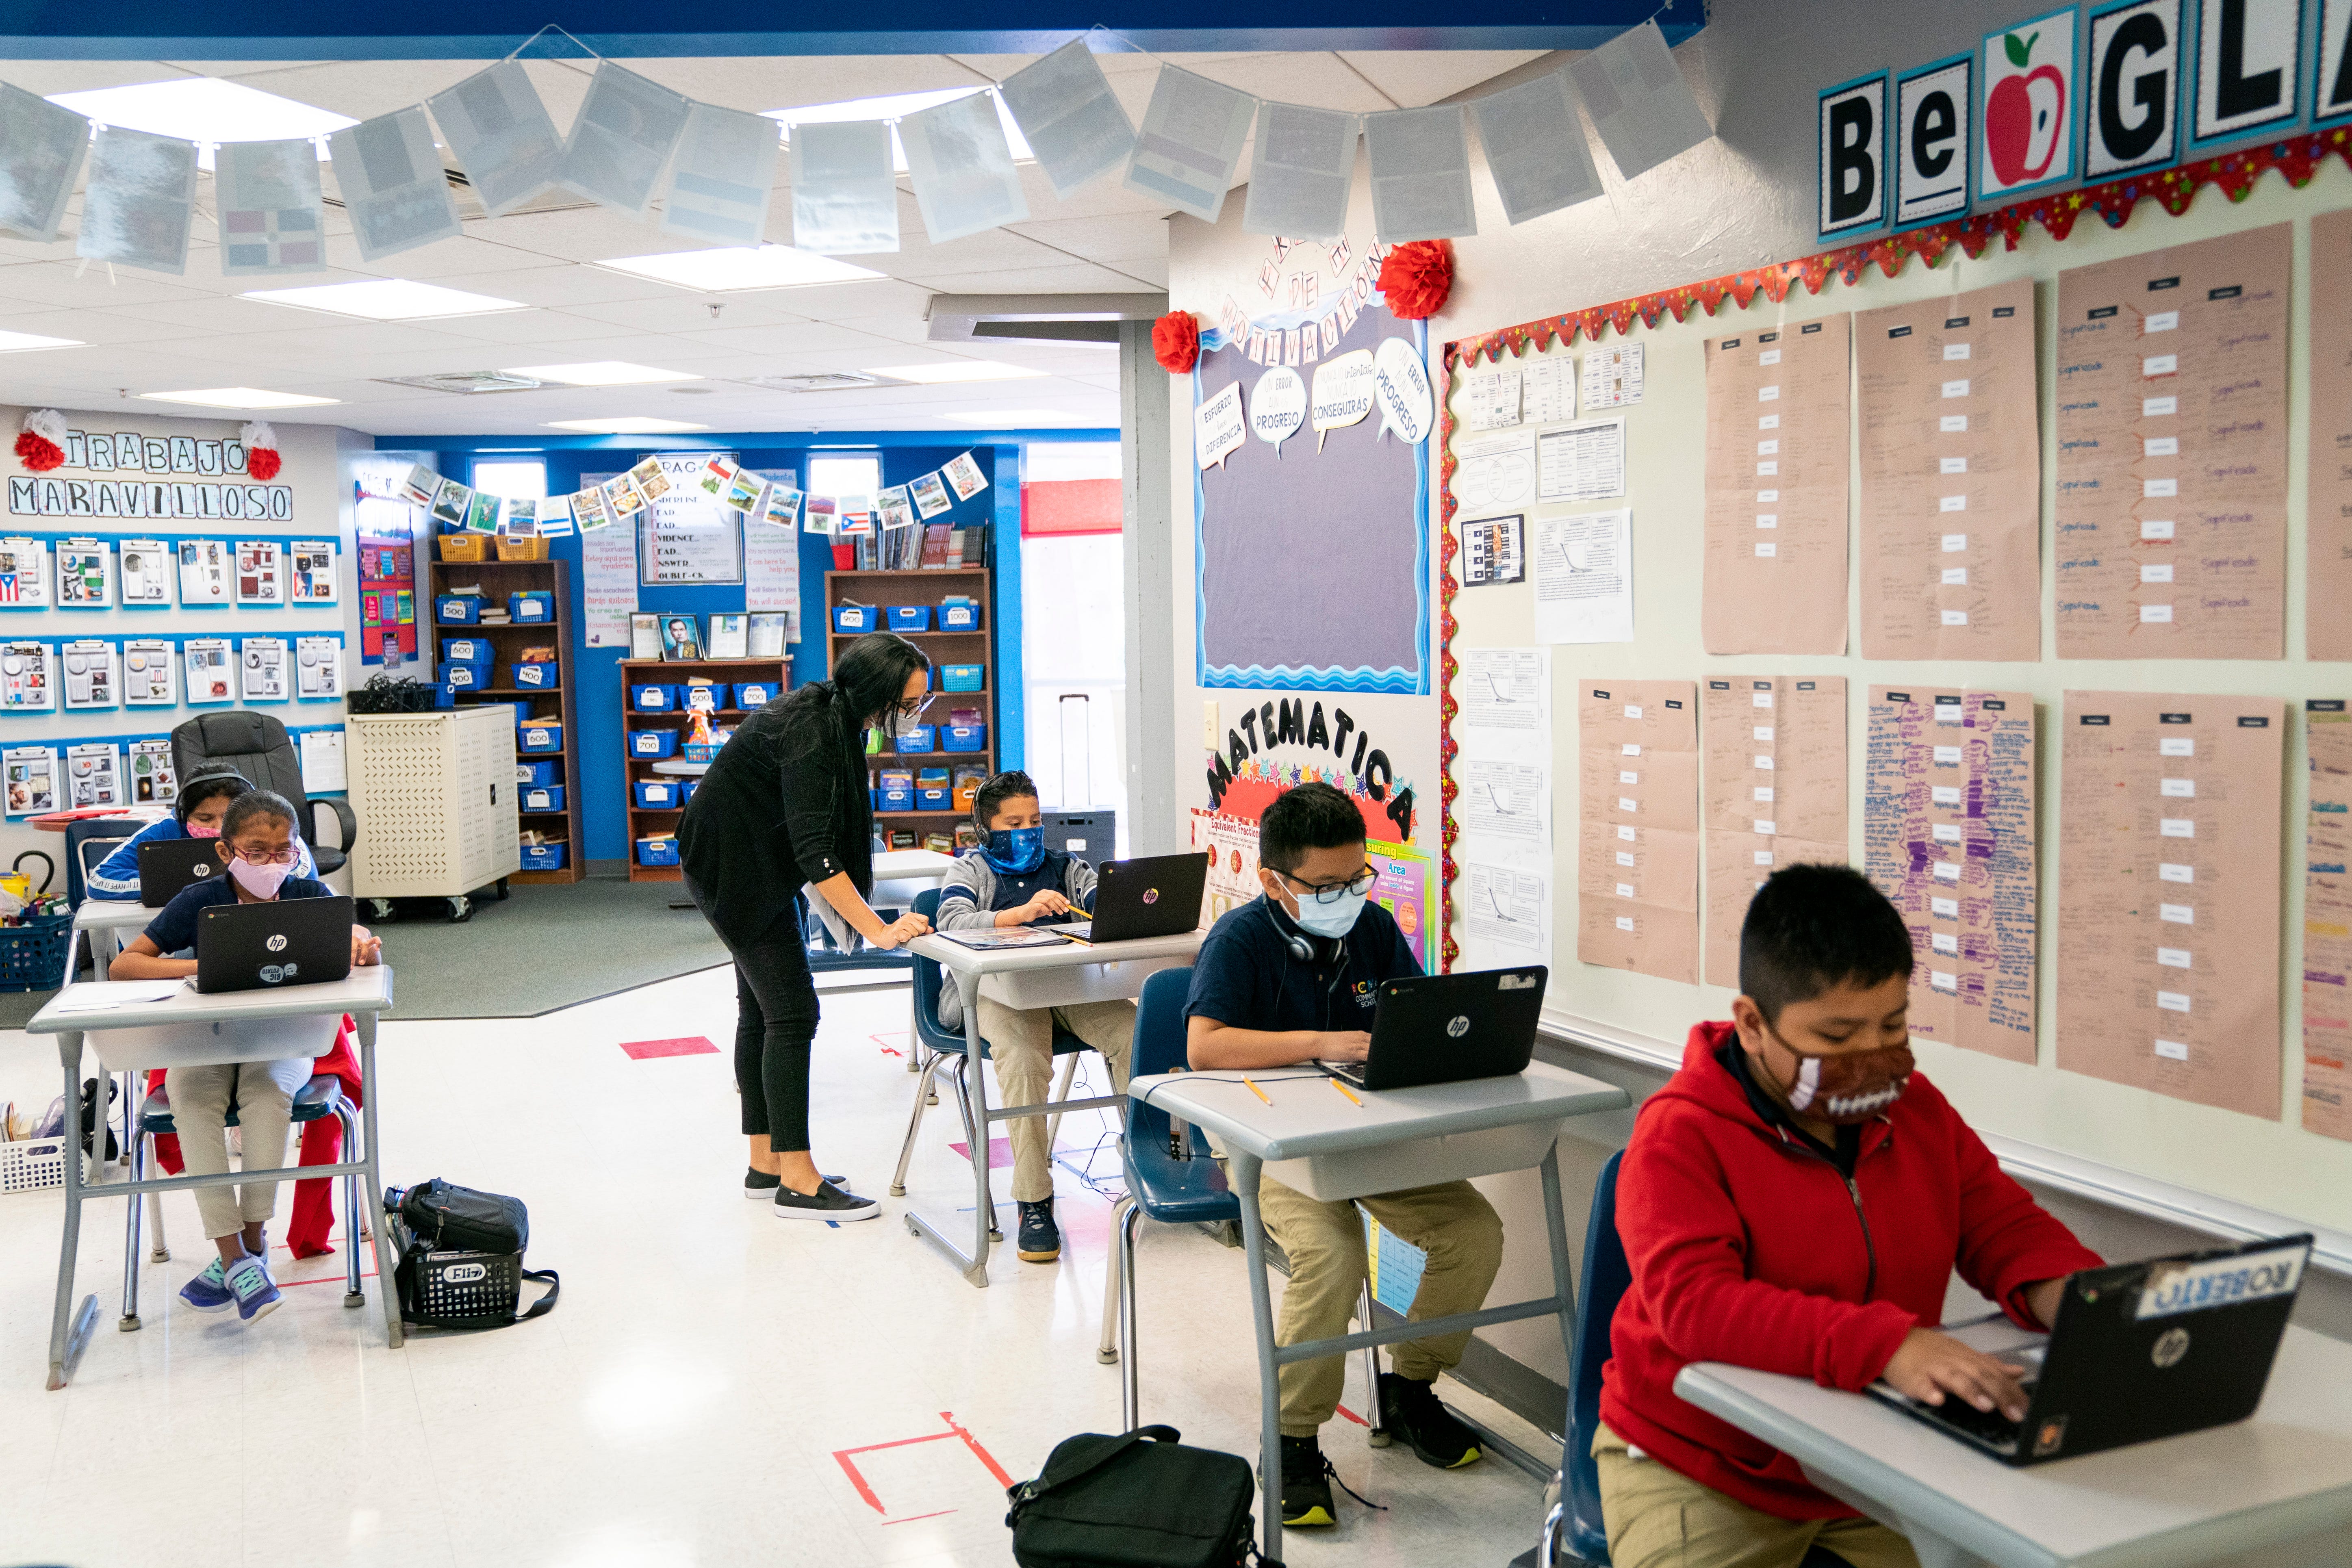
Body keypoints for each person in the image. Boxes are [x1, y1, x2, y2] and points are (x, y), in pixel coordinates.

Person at [1598, 863, 2104, 1568]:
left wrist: (2094, 1306)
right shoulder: (1680, 1133)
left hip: (1871, 1452)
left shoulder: (1915, 1111)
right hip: (1703, 1461)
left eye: (1891, 1025)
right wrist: (1889, 1346)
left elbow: (2003, 1229)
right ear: (1751, 1023)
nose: (1871, 1059)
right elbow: (1695, 1305)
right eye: (1836, 1035)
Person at [1184, 781, 1500, 1528]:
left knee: (1471, 1231)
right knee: (1331, 1254)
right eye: (1325, 885)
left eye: (1357, 878)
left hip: (1361, 1136)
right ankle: (1292, 1439)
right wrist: (1321, 1043)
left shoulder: (1374, 928)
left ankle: (1411, 1387)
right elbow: (1204, 1044)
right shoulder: (1240, 939)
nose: (1347, 896)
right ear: (1272, 881)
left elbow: (1415, 1014)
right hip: (1272, 1146)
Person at [679, 631, 934, 1223]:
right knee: (793, 1012)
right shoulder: (813, 730)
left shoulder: (833, 711)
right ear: (877, 692)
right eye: (908, 703)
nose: (913, 715)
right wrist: (878, 929)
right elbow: (817, 851)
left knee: (763, 1010)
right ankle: (798, 1178)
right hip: (732, 866)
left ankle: (766, 1164)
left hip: (746, 858)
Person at [111, 790, 382, 1325]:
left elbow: (358, 945)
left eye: (283, 850)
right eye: (256, 851)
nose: (271, 863)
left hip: (283, 1039)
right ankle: (237, 1256)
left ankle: (250, 1247)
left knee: (268, 1096)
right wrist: (200, 963)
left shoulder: (309, 893)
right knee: (193, 1100)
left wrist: (364, 947)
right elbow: (125, 964)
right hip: (204, 1041)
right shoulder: (199, 899)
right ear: (225, 851)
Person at [932, 770, 1134, 1264]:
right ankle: (1033, 1198)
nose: (1028, 830)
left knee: (1136, 1034)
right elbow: (951, 922)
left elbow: (1099, 902)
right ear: (985, 829)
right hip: (999, 995)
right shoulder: (970, 870)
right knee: (1023, 1060)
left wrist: (1113, 903)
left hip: (1066, 988)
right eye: (1013, 822)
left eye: (1036, 820)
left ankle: (1148, 1157)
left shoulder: (1065, 865)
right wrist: (1016, 914)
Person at [87, 767, 317, 900]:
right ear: (184, 815)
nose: (218, 828)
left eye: (228, 817)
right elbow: (100, 880)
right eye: (205, 819)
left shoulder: (270, 826)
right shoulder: (167, 828)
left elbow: (305, 874)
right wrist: (176, 887)